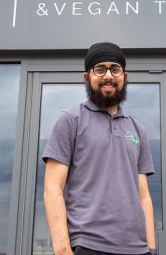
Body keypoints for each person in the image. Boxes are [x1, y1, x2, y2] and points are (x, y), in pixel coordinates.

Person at [43, 42, 157, 255]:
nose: (108, 76)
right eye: (100, 69)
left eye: (115, 69)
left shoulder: (137, 129)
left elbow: (144, 196)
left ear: (125, 76)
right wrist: (62, 250)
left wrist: (151, 248)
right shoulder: (70, 121)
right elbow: (52, 189)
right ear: (87, 77)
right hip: (88, 245)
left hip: (137, 249)